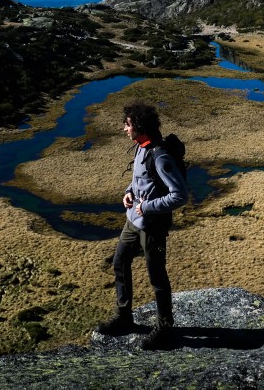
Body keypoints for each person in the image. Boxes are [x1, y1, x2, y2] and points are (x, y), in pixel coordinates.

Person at [95, 100, 188, 350]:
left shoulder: (160, 156)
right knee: (119, 261)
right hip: (133, 221)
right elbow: (140, 180)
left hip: (153, 226)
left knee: (157, 276)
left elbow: (180, 195)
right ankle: (124, 317)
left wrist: (146, 207)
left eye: (126, 125)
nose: (124, 129)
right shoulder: (141, 147)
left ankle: (165, 328)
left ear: (138, 125)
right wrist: (128, 192)